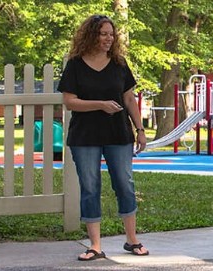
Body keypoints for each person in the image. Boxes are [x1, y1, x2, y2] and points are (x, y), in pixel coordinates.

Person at [59, 14, 149, 261]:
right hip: (84, 137)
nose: (109, 39)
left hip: (118, 134)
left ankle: (132, 240)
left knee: (124, 184)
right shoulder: (75, 64)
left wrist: (140, 130)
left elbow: (129, 98)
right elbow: (69, 102)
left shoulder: (119, 63)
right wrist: (100, 104)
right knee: (90, 187)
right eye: (103, 34)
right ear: (91, 35)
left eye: (111, 34)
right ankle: (95, 246)